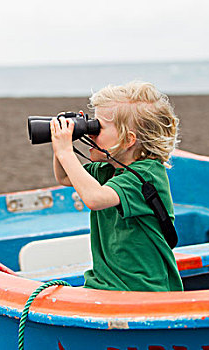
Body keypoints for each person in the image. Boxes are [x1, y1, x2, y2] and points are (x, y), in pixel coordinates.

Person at [50, 81, 183, 292]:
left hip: (143, 290)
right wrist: (63, 145)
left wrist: (66, 152)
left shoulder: (145, 174)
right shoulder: (108, 168)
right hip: (107, 286)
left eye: (98, 127)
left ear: (128, 139)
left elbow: (94, 198)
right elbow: (66, 177)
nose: (91, 134)